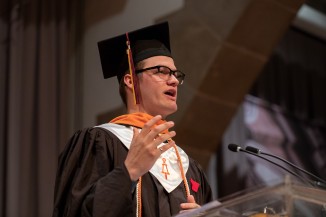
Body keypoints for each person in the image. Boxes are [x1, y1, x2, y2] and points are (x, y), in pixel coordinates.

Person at [52, 22, 212, 217]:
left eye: (176, 74)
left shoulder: (189, 166)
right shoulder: (100, 142)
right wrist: (129, 171)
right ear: (130, 81)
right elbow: (75, 212)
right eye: (161, 71)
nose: (174, 80)